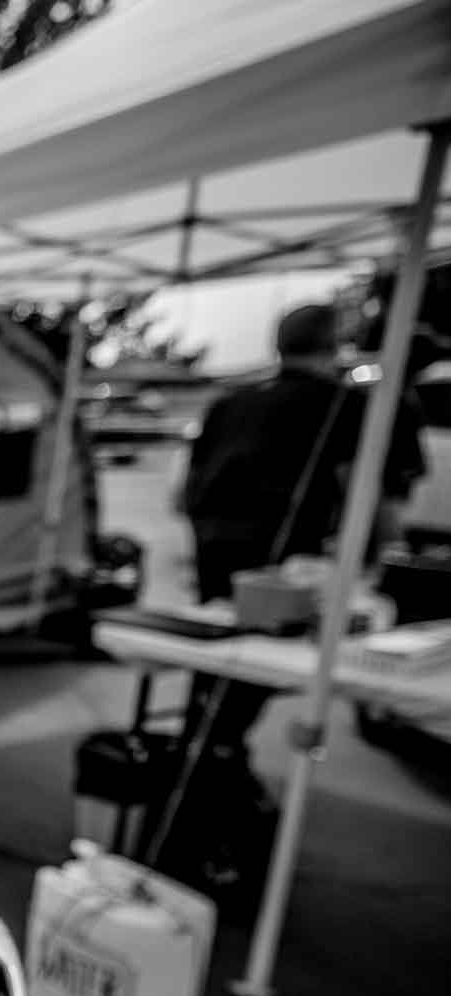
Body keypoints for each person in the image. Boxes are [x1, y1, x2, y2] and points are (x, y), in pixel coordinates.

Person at [177, 302, 426, 769]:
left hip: (214, 541)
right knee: (261, 658)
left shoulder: (231, 404)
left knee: (222, 652)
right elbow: (362, 491)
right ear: (335, 343)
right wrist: (373, 558)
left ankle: (207, 746)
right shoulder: (344, 405)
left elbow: (183, 494)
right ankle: (216, 751)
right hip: (284, 556)